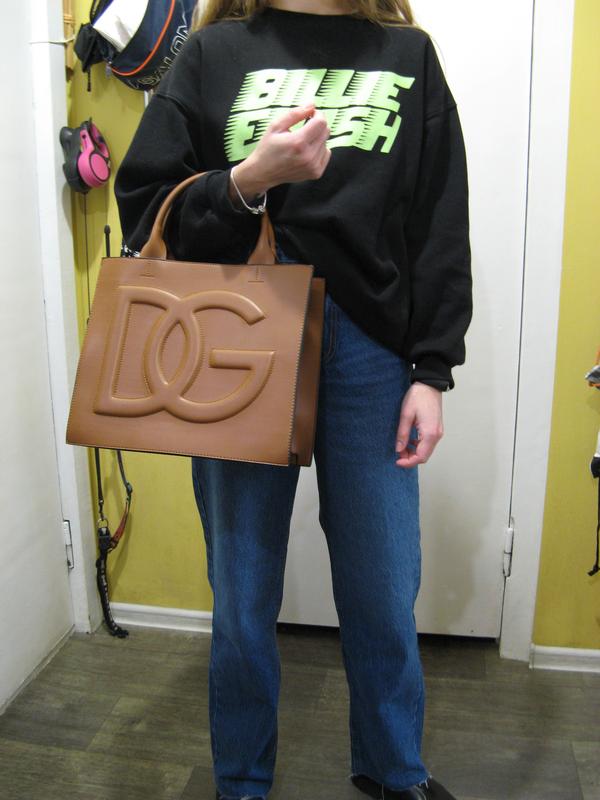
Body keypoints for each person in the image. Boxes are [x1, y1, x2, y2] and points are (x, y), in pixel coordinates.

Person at [114, 0, 473, 797]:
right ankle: (241, 782)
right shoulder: (211, 53)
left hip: (372, 345)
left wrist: (431, 370)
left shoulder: (407, 56)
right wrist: (251, 180)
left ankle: (393, 771)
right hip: (240, 334)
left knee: (384, 586)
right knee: (243, 592)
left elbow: (438, 222)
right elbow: (145, 203)